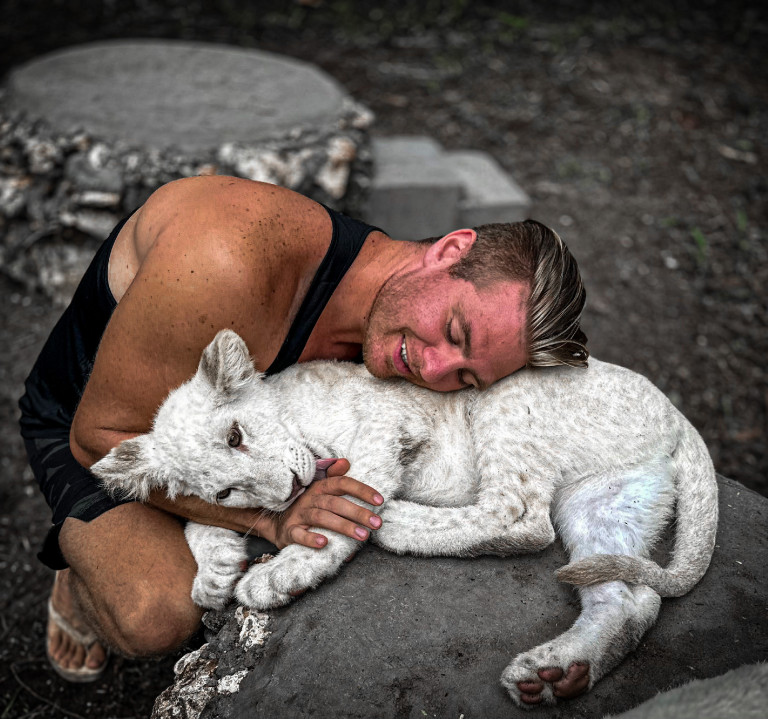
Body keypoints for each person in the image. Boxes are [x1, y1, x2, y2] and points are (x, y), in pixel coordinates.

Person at [19, 176, 587, 699]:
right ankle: (78, 574)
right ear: (449, 249)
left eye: (467, 376)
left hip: (242, 454)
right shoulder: (229, 260)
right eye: (455, 331)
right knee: (157, 615)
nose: (436, 370)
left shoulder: (400, 329)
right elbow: (98, 437)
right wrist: (267, 520)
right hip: (109, 430)